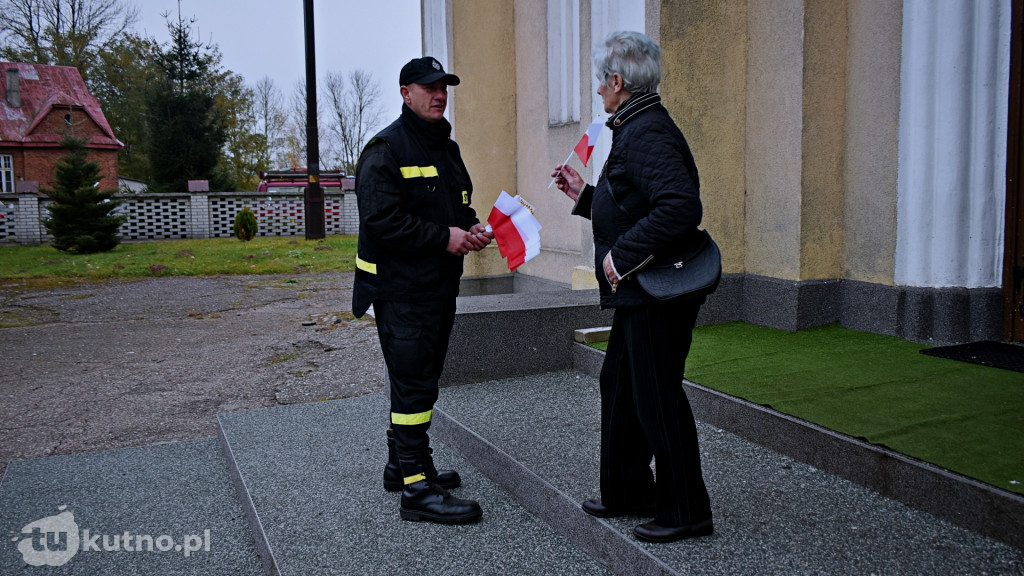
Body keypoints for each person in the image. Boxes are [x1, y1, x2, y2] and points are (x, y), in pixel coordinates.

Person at [551, 31, 714, 543]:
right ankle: (627, 489)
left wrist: (619, 258)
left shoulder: (646, 132)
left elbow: (680, 207)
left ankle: (686, 509)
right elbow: (633, 201)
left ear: (617, 82)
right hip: (642, 291)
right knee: (620, 385)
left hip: (657, 293)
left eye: (601, 82)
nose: (598, 91)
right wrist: (585, 196)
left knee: (656, 396)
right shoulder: (637, 126)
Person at [352, 56, 492, 524]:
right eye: (428, 87)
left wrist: (472, 228)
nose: (439, 95)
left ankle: (404, 464)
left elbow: (457, 205)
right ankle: (415, 490)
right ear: (404, 92)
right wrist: (445, 237)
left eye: (444, 87)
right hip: (400, 291)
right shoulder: (384, 150)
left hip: (435, 288)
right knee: (413, 387)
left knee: (421, 381)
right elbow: (382, 221)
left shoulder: (444, 148)